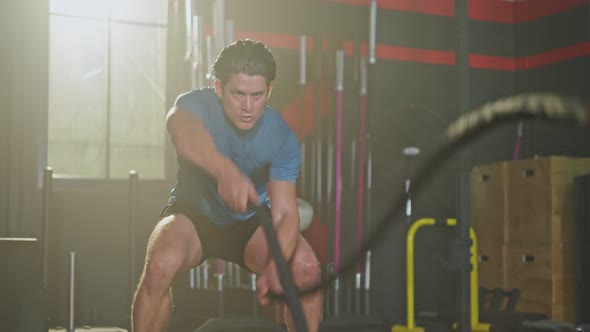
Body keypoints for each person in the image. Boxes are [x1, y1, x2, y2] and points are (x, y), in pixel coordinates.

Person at [131, 39, 322, 332]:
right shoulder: (194, 104)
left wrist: (276, 268)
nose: (248, 107)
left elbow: (285, 214)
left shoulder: (281, 136)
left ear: (269, 90)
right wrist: (225, 172)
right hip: (192, 217)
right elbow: (182, 130)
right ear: (219, 88)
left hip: (248, 226)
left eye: (257, 95)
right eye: (238, 94)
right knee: (159, 266)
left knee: (306, 271)